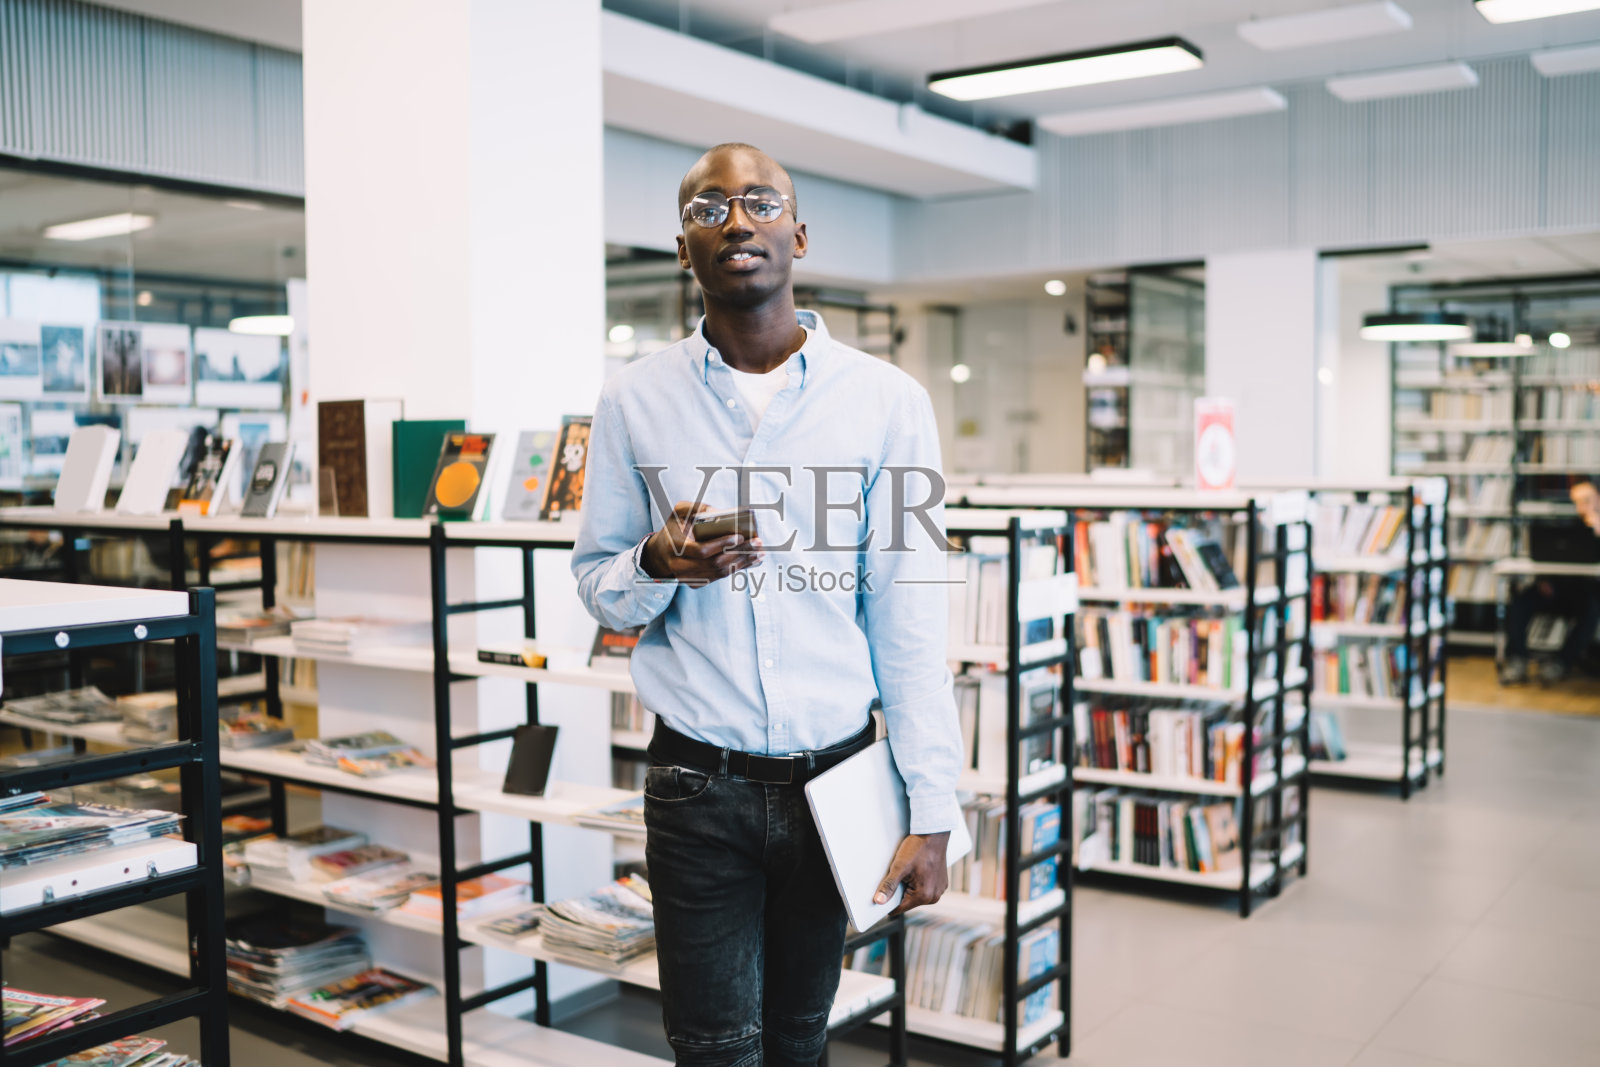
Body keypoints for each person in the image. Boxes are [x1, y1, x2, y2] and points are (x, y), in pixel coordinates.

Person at [572, 143, 961, 1066]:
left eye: (759, 202)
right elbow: (599, 585)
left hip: (838, 785)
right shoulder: (633, 400)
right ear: (684, 248)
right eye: (709, 210)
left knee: (798, 1042)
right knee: (713, 1050)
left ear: (799, 233)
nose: (737, 221)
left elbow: (909, 620)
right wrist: (659, 562)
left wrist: (933, 806)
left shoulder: (888, 402)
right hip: (696, 788)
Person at [1501, 476, 1600, 685]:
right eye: (1577, 501)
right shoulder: (1561, 525)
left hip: (1585, 593)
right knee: (1520, 600)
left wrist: (1596, 527)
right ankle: (1517, 660)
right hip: (1554, 589)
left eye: (1587, 500)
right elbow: (1546, 552)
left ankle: (1560, 663)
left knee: (1592, 611)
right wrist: (1542, 579)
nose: (1582, 506)